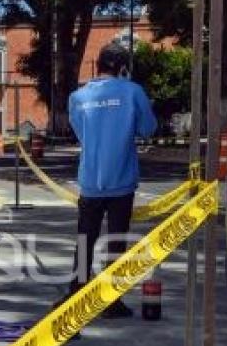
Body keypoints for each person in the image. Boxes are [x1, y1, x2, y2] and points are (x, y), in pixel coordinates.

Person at [63, 42, 157, 318]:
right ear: (122, 67)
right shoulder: (132, 91)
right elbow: (148, 128)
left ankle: (76, 291)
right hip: (122, 180)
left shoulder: (78, 97)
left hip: (90, 180)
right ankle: (110, 301)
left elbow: (80, 134)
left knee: (85, 240)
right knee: (116, 242)